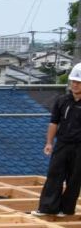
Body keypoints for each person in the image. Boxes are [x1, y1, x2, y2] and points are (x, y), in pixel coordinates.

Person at [34, 63, 81, 217]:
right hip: (63, 143)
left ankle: (67, 210)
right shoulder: (62, 101)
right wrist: (49, 142)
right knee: (55, 173)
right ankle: (47, 208)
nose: (75, 84)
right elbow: (54, 122)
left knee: (74, 178)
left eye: (79, 82)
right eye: (73, 81)